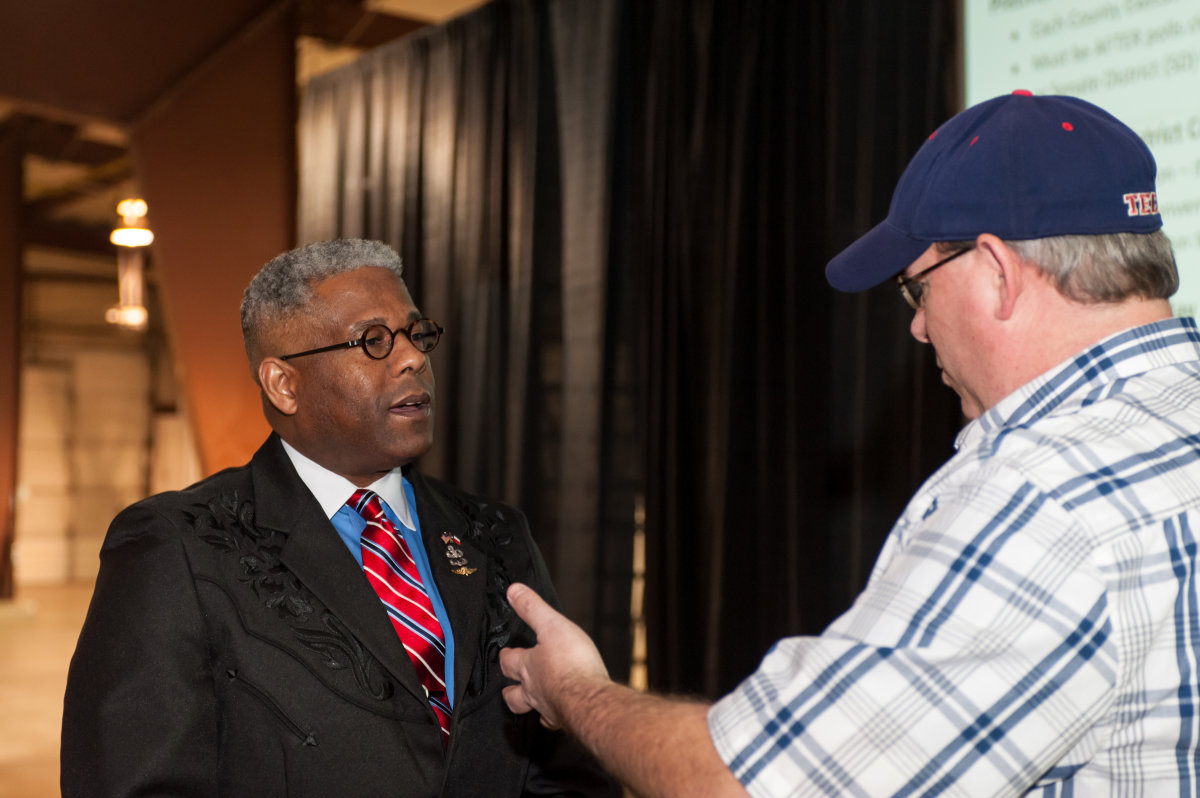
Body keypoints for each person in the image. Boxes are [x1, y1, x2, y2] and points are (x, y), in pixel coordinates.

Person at [498, 91, 1200, 795]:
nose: (919, 329)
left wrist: (577, 693)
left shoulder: (1042, 495)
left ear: (996, 272)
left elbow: (753, 787)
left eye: (915, 290)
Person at [62, 239, 613, 797]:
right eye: (373, 341)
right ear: (284, 384)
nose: (414, 358)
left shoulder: (495, 533)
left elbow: (564, 767)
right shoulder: (177, 545)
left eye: (417, 334)